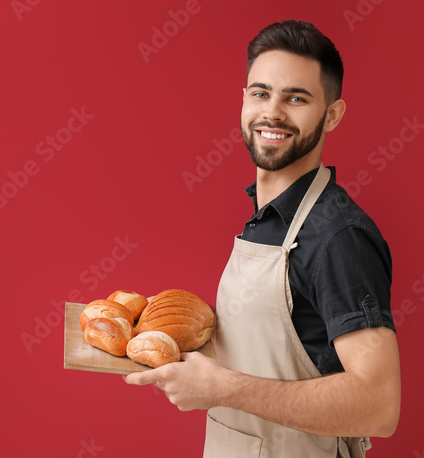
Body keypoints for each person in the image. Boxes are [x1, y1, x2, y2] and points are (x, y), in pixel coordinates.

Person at [124, 20, 400, 457]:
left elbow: (379, 406)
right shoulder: (266, 219)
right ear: (244, 101)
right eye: (260, 92)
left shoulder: (337, 235)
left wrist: (222, 388)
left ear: (332, 114)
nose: (272, 112)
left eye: (296, 97)